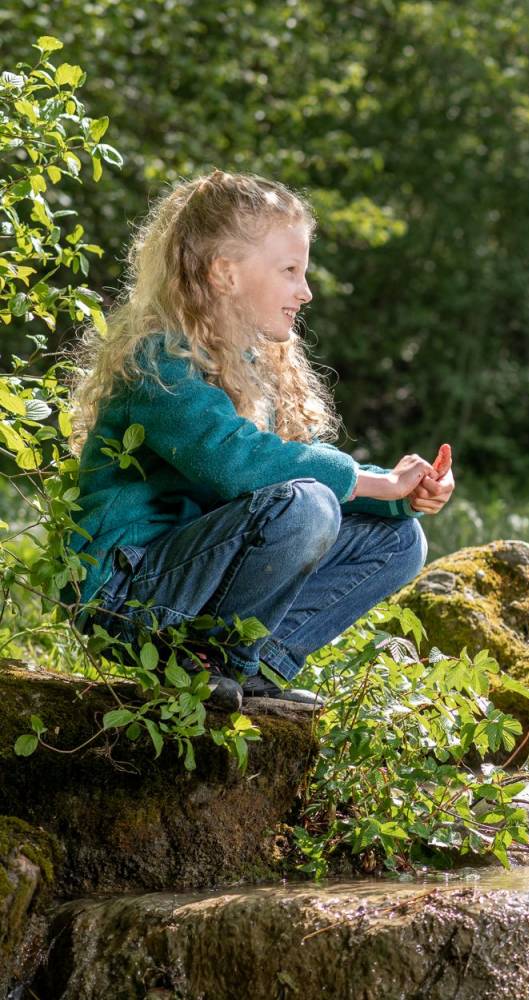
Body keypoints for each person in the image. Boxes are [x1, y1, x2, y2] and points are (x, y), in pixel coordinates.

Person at [64, 170, 454, 711]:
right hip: (128, 593)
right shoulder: (158, 361)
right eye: (290, 270)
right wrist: (375, 482)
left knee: (399, 541)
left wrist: (400, 497)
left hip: (195, 576)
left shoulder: (252, 364)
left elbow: (287, 480)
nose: (306, 290)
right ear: (225, 274)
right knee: (308, 501)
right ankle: (196, 660)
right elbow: (236, 464)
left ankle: (249, 668)